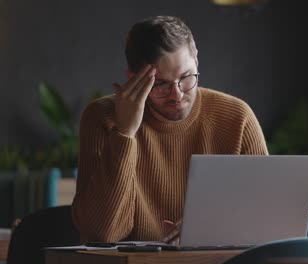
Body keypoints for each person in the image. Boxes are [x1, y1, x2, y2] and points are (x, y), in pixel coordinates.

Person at [71, 15, 269, 243]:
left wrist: (209, 226)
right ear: (133, 78)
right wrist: (125, 133)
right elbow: (101, 234)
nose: (177, 94)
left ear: (196, 60)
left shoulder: (237, 117)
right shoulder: (102, 118)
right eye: (161, 84)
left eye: (186, 77)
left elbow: (265, 220)